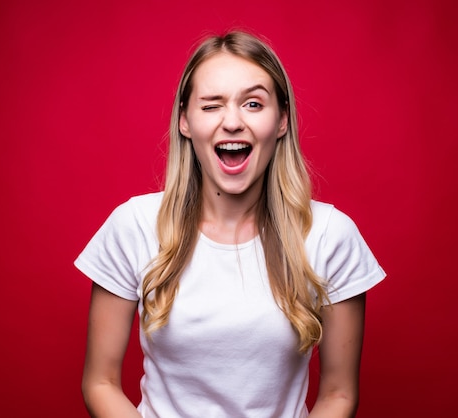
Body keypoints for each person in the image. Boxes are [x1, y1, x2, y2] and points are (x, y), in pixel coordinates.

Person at [75, 30, 386, 418]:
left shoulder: (331, 236)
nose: (233, 122)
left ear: (282, 121)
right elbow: (100, 382)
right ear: (185, 121)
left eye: (253, 103)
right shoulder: (133, 226)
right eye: (211, 106)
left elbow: (339, 395)